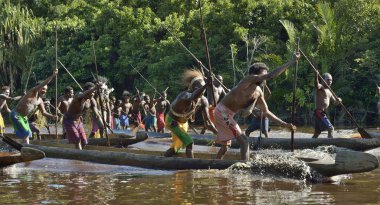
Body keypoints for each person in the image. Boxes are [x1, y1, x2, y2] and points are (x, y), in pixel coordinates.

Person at [214, 53, 299, 160]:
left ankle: (215, 164)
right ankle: (245, 166)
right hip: (222, 112)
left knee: (226, 146)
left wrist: (285, 124)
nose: (265, 78)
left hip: (228, 114)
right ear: (255, 75)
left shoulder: (258, 92)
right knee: (244, 141)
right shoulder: (248, 80)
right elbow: (271, 75)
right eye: (263, 75)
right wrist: (292, 62)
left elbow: (266, 112)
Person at [164, 69, 211, 158]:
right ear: (193, 88)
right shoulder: (185, 95)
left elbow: (208, 122)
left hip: (184, 123)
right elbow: (193, 96)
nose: (201, 91)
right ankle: (191, 166)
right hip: (172, 121)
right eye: (198, 88)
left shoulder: (203, 100)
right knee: (189, 142)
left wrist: (217, 133)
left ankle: (165, 158)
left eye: (202, 88)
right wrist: (205, 85)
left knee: (178, 145)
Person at [10, 69, 58, 144]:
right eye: (43, 89)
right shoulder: (32, 92)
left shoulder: (40, 101)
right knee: (25, 133)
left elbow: (44, 112)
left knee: (28, 133)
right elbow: (43, 83)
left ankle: (24, 148)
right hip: (16, 114)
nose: (44, 91)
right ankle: (25, 149)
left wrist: (52, 116)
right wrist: (53, 75)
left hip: (24, 118)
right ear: (39, 88)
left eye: (46, 90)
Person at [63, 82, 101, 149]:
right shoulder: (78, 95)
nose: (92, 93)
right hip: (69, 120)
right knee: (77, 140)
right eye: (91, 91)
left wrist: (102, 122)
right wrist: (94, 88)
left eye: (94, 92)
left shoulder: (92, 100)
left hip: (78, 121)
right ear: (86, 91)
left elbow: (96, 113)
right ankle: (78, 155)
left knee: (84, 141)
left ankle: (79, 155)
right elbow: (82, 95)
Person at [312, 72, 342, 138]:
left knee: (317, 132)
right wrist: (316, 76)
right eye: (328, 79)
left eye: (331, 80)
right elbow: (316, 85)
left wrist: (339, 100)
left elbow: (335, 103)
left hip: (321, 113)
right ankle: (330, 145)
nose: (330, 81)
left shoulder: (329, 91)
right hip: (319, 112)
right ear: (323, 80)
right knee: (330, 128)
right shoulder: (321, 87)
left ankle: (309, 143)